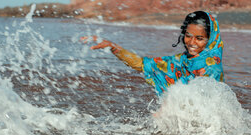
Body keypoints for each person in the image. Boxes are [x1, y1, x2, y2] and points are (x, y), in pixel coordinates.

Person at [82, 11, 224, 96]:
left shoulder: (211, 67)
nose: (191, 42)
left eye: (199, 38)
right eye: (188, 36)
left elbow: (203, 107)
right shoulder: (181, 61)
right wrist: (112, 46)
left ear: (211, 39)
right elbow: (141, 64)